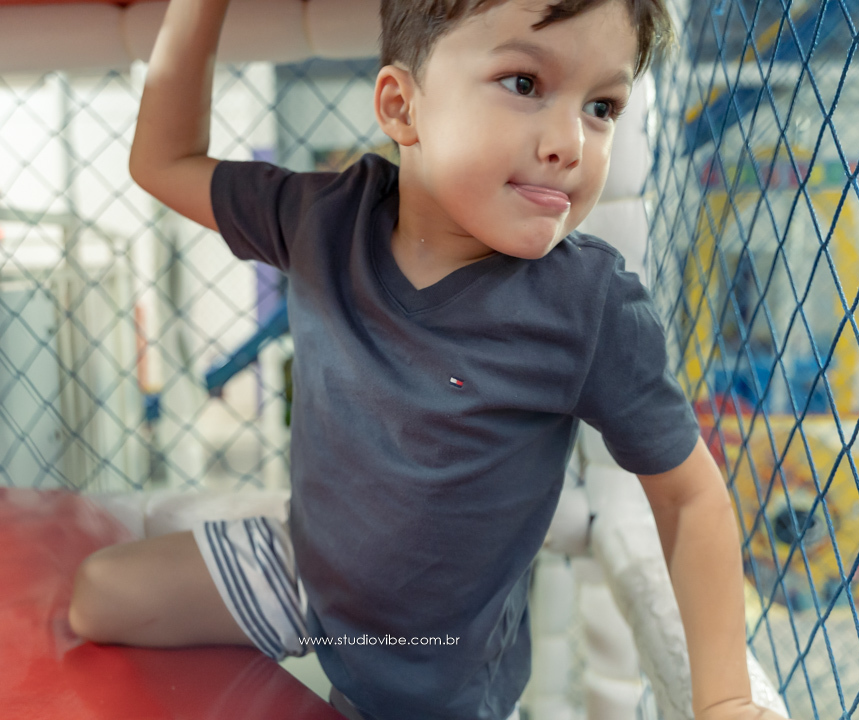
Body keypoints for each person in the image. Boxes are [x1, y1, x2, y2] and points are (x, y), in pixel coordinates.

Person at [67, 1, 789, 718]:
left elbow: (689, 497)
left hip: (435, 665)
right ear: (401, 106)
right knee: (99, 596)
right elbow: (163, 163)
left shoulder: (587, 306)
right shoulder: (328, 219)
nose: (570, 142)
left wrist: (725, 698)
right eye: (524, 84)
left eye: (601, 106)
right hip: (308, 572)